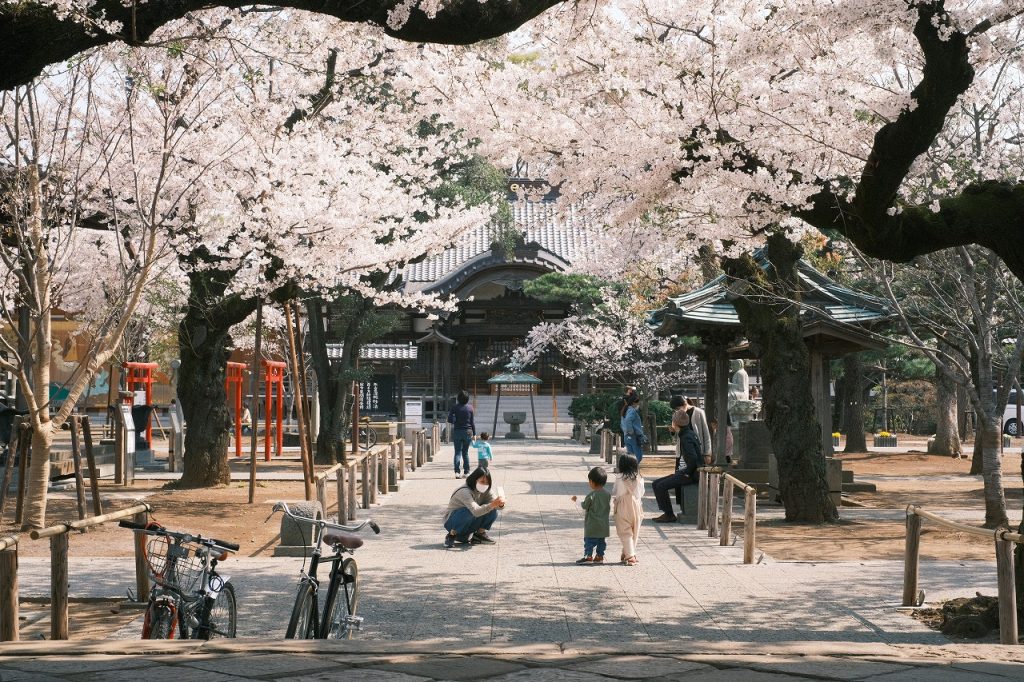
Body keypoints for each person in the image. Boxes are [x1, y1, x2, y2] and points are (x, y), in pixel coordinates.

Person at [442, 467, 505, 548]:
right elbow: (475, 511)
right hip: (452, 522)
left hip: (470, 523)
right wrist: (493, 504)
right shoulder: (464, 491)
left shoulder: (487, 490)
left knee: (493, 510)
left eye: (487, 483)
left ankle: (479, 535)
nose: (484, 485)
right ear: (474, 480)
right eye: (482, 481)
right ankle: (451, 535)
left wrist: (500, 504)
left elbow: (497, 507)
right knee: (469, 511)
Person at [571, 466, 611, 564]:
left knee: (589, 541)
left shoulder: (592, 495)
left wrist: (576, 501)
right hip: (604, 524)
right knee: (601, 541)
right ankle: (599, 556)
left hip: (592, 524)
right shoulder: (607, 494)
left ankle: (588, 556)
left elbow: (584, 505)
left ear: (592, 482)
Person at [613, 454, 644, 565]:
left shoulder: (619, 477)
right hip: (636, 505)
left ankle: (630, 556)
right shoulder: (639, 478)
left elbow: (616, 492)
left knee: (625, 532)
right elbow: (641, 493)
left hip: (622, 505)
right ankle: (628, 552)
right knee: (635, 531)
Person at [447, 390, 475, 478]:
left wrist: (455, 419)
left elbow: (449, 420)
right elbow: (472, 422)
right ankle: (467, 472)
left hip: (458, 431)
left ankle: (457, 472)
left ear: (458, 398)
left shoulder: (454, 408)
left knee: (457, 452)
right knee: (465, 452)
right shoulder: (470, 408)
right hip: (468, 431)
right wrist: (474, 434)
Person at [619, 392, 645, 463]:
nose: (638, 405)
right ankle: (634, 471)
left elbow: (623, 423)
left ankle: (630, 471)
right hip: (633, 436)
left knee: (630, 457)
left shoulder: (625, 410)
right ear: (634, 403)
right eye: (637, 403)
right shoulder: (632, 411)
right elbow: (628, 420)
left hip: (626, 436)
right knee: (638, 457)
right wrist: (631, 431)